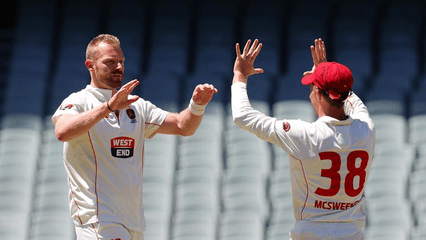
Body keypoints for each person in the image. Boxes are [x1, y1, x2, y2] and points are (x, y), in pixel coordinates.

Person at [52, 34, 218, 240]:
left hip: (133, 221)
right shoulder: (79, 101)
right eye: (110, 62)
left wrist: (197, 105)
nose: (119, 67)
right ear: (90, 65)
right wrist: (109, 106)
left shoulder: (136, 105)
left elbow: (182, 126)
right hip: (98, 218)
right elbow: (62, 131)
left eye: (121, 61)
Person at [231, 38, 375, 239]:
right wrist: (326, 73)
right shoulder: (366, 129)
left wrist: (239, 75)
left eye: (312, 87)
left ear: (317, 92)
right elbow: (349, 98)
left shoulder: (305, 136)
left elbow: (243, 116)